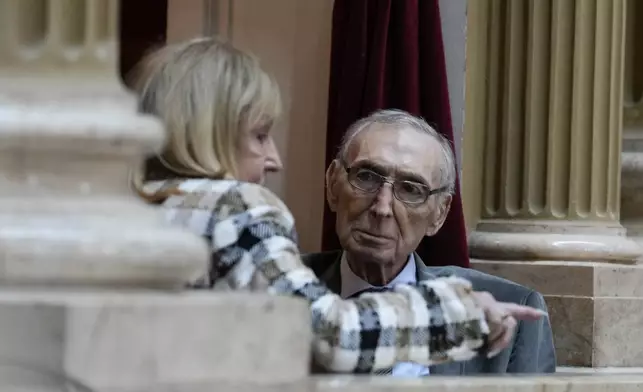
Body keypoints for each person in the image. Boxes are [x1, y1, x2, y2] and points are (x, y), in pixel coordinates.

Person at [129, 37, 546, 374]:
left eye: (411, 189)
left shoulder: (122, 215)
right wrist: (460, 312)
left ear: (441, 212)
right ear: (206, 134)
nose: (274, 158)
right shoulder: (231, 210)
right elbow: (331, 336)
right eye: (259, 135)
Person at [304, 109, 556, 375]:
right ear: (332, 184)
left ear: (440, 213)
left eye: (411, 189)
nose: (383, 208)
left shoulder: (511, 309)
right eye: (366, 177)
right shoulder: (277, 290)